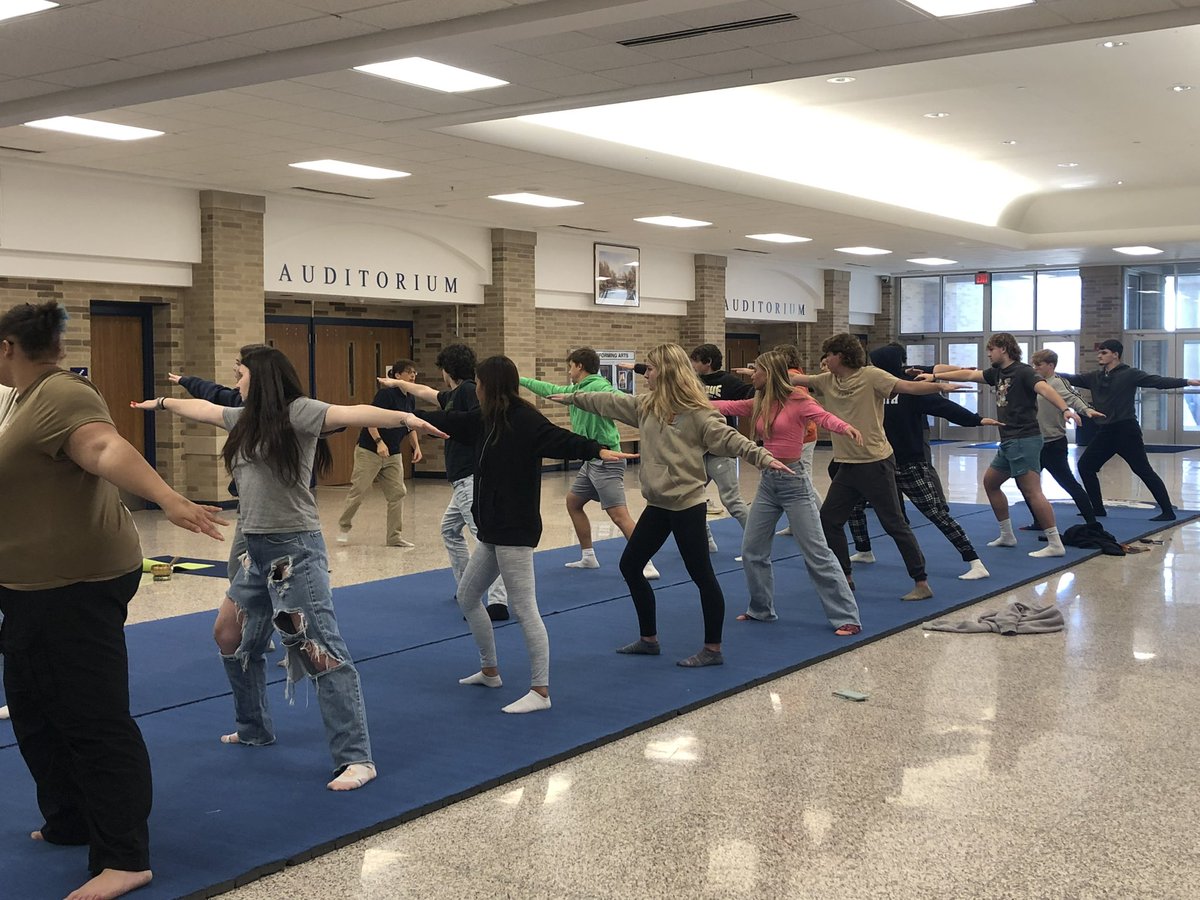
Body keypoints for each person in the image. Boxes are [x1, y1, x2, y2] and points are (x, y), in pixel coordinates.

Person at [133, 347, 447, 791]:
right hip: (252, 549)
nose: (236, 383)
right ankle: (253, 729)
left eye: (240, 375)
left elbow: (352, 411)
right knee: (228, 634)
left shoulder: (299, 413)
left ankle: (356, 757)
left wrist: (408, 420)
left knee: (316, 647)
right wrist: (161, 402)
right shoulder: (242, 418)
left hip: (293, 550)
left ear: (259, 377)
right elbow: (203, 407)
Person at [0, 300, 226, 900]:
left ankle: (125, 857)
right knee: (33, 710)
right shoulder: (22, 398)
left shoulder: (63, 395)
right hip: (26, 587)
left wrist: (169, 498)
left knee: (91, 718)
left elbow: (103, 448)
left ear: (8, 347)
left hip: (74, 586)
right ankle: (70, 820)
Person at [417, 355, 635, 713]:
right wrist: (408, 418)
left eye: (480, 382)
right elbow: (448, 420)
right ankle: (490, 670)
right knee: (468, 597)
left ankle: (541, 691)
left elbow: (560, 439)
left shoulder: (524, 419)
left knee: (525, 609)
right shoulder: (485, 419)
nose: (477, 387)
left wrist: (596, 449)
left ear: (489, 384)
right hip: (491, 529)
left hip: (515, 530)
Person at [554, 343, 792, 667]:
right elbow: (608, 402)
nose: (645, 374)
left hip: (686, 505)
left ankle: (713, 649)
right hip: (659, 505)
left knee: (702, 575)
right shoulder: (647, 407)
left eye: (649, 369)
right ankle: (649, 639)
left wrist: (764, 458)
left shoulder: (698, 413)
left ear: (664, 372)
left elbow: (732, 440)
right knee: (630, 565)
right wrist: (570, 397)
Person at [789, 333, 961, 601]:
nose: (825, 360)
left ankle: (921, 582)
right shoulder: (826, 380)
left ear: (842, 356)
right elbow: (795, 379)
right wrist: (762, 371)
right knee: (830, 520)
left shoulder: (872, 376)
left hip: (875, 462)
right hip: (847, 465)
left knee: (894, 523)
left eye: (829, 355)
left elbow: (908, 387)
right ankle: (844, 577)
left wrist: (939, 386)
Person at [712, 350, 864, 634]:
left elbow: (824, 417)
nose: (752, 375)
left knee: (817, 553)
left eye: (756, 370)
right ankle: (761, 609)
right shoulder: (760, 401)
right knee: (752, 551)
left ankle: (847, 616)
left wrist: (846, 428)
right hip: (768, 483)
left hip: (795, 484)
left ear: (769, 373)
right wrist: (694, 404)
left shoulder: (798, 399)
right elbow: (729, 406)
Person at [846, 344, 997, 581]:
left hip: (909, 462)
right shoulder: (871, 387)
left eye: (876, 364)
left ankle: (974, 561)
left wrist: (976, 419)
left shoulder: (908, 388)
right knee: (853, 507)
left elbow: (944, 407)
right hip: (875, 461)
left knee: (935, 513)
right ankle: (863, 549)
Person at [379, 343, 508, 619]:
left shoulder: (468, 392)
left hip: (469, 478)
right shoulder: (456, 393)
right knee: (449, 529)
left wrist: (426, 419)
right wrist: (396, 383)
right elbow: (426, 392)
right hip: (462, 480)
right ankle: (466, 586)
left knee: (485, 537)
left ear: (447, 370)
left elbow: (472, 420)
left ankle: (498, 601)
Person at [924, 333, 1081, 559]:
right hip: (1009, 440)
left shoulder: (1024, 371)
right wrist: (934, 375)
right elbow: (969, 373)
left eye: (991, 349)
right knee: (991, 482)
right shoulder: (997, 373)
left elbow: (1045, 389)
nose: (988, 354)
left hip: (1024, 438)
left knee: (1031, 490)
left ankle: (1055, 542)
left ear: (1004, 349)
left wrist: (1065, 409)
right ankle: (1007, 534)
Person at [519, 347, 660, 580]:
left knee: (619, 515)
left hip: (608, 459)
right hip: (591, 459)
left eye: (570, 366)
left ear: (579, 366)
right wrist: (521, 380)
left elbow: (618, 398)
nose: (569, 371)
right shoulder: (578, 389)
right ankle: (588, 556)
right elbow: (551, 391)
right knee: (573, 502)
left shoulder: (599, 386)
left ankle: (646, 562)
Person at [1059, 339, 1200, 521]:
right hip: (1105, 432)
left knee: (1142, 470)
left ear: (1115, 355)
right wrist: (1046, 373)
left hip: (1126, 430)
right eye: (1099, 353)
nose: (1099, 356)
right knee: (1085, 466)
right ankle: (1098, 508)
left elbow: (1157, 381)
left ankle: (1168, 511)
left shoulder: (1130, 374)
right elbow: (1069, 377)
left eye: (1104, 352)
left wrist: (1187, 381)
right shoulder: (1094, 377)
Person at [337, 359, 422, 548]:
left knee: (398, 493)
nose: (413, 376)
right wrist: (379, 442)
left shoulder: (410, 398)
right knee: (359, 490)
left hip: (393, 453)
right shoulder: (386, 395)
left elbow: (411, 424)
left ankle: (394, 536)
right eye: (409, 372)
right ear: (398, 376)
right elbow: (370, 419)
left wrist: (416, 446)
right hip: (370, 450)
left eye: (415, 372)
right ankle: (344, 525)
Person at [1024, 349, 1105, 530]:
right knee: (1027, 485)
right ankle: (1039, 522)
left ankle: (1092, 522)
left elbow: (1074, 398)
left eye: (1039, 365)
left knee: (1068, 483)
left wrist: (1086, 410)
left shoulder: (1058, 383)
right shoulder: (1033, 383)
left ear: (1051, 366)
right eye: (1034, 365)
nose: (1035, 368)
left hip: (1053, 443)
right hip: (1034, 443)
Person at [690, 343, 754, 552]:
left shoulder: (728, 381)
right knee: (692, 498)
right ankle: (705, 540)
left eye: (695, 361)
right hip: (698, 449)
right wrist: (638, 367)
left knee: (732, 500)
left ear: (707, 363)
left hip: (721, 450)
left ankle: (757, 541)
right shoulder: (692, 381)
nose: (692, 365)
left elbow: (752, 395)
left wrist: (759, 375)